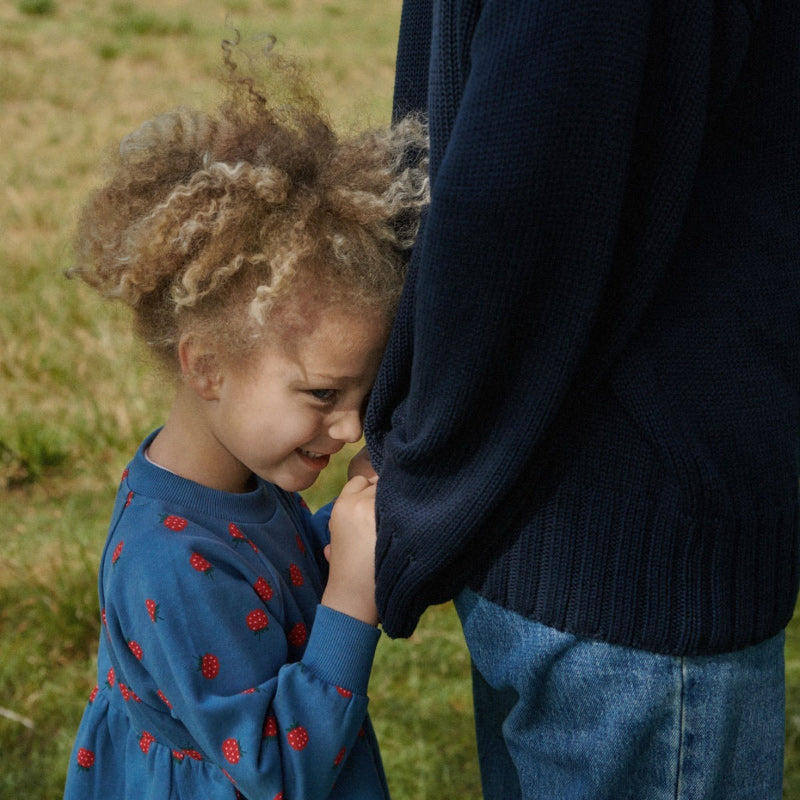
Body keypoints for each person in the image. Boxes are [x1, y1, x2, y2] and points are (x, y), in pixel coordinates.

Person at [365, 2, 800, 798]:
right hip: (613, 545)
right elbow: (509, 179)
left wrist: (427, 456)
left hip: (583, 520)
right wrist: (427, 463)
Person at [63, 36, 427, 800]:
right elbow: (275, 771)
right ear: (207, 367)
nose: (352, 428)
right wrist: (352, 599)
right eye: (324, 396)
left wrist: (342, 531)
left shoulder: (240, 482)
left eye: (360, 397)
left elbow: (271, 592)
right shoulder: (167, 560)